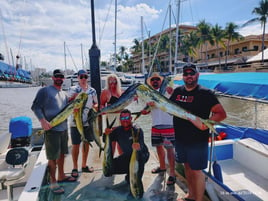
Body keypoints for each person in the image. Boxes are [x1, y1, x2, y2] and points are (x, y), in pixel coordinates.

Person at [169, 64, 227, 201]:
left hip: (197, 140)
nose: (189, 76)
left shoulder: (205, 93)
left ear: (197, 75)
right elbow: (169, 108)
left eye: (192, 73)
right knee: (187, 167)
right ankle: (191, 194)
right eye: (186, 74)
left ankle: (199, 199)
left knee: (197, 171)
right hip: (181, 138)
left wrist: (206, 125)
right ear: (183, 76)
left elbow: (221, 114)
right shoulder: (177, 92)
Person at [31, 69, 76, 195]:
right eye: (57, 76)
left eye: (61, 77)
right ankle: (53, 181)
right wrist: (42, 121)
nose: (59, 78)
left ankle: (61, 176)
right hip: (51, 130)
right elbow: (35, 107)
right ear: (52, 78)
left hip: (63, 129)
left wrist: (76, 99)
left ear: (64, 78)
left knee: (62, 155)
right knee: (52, 157)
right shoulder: (45, 91)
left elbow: (69, 106)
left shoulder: (64, 94)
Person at [104, 109, 150, 198]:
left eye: (127, 117)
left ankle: (135, 180)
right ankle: (129, 173)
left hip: (141, 156)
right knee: (108, 170)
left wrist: (138, 146)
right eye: (123, 118)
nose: (125, 120)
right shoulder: (118, 130)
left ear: (131, 118)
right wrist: (106, 134)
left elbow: (141, 145)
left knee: (135, 180)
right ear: (120, 119)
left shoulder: (137, 130)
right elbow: (105, 140)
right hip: (127, 157)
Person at [140, 72, 176, 185]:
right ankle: (162, 167)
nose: (155, 81)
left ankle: (172, 174)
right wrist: (145, 110)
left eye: (157, 79)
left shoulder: (169, 91)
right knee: (159, 148)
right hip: (155, 125)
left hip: (169, 124)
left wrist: (173, 93)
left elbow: (178, 104)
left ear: (161, 81)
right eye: (153, 80)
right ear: (150, 82)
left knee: (170, 150)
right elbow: (145, 111)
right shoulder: (149, 95)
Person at [68, 69, 98, 178]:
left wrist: (94, 108)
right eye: (81, 77)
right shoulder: (72, 89)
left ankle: (84, 165)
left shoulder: (92, 91)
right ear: (78, 78)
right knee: (76, 144)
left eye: (85, 76)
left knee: (86, 143)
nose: (83, 79)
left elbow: (96, 103)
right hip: (75, 122)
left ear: (87, 77)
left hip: (87, 122)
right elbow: (68, 103)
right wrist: (73, 101)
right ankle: (75, 167)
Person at [100, 73, 123, 153]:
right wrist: (102, 109)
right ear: (108, 82)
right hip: (111, 119)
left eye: (115, 82)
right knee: (112, 143)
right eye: (110, 82)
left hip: (121, 118)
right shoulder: (105, 92)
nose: (113, 84)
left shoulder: (120, 92)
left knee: (121, 143)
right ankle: (111, 164)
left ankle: (122, 162)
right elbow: (102, 105)